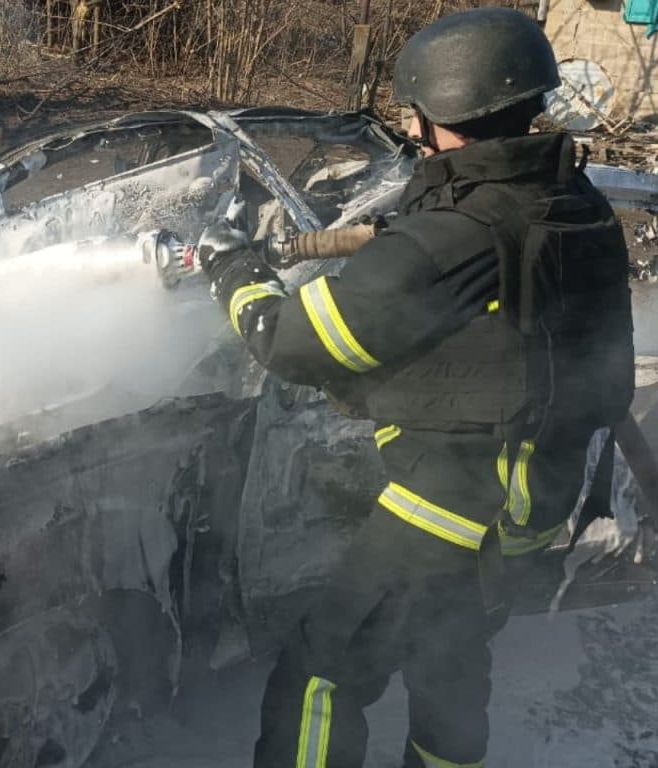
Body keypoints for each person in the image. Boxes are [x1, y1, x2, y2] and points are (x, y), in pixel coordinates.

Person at [195, 8, 635, 768]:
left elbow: (299, 343)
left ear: (440, 113)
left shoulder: (455, 236)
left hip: (449, 510)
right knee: (449, 665)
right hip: (530, 506)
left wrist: (233, 276)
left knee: (320, 674)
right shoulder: (572, 203)